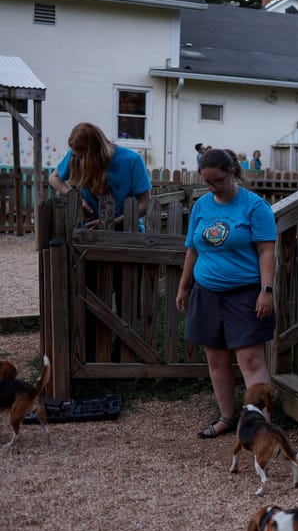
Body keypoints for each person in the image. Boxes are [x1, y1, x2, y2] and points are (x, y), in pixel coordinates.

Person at [176, 148, 276, 439]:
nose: (212, 188)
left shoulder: (256, 207)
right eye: (207, 182)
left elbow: (267, 251)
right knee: (216, 358)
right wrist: (184, 286)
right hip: (207, 293)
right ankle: (227, 417)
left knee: (250, 360)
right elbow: (192, 249)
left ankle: (261, 426)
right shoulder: (201, 206)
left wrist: (266, 290)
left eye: (217, 181)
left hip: (245, 294)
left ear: (232, 172)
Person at [48, 122, 152, 230]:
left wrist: (113, 222)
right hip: (90, 231)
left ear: (94, 153)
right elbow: (54, 178)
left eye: (82, 157)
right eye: (76, 156)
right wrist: (77, 198)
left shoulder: (132, 160)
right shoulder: (76, 154)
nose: (78, 160)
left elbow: (145, 203)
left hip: (128, 233)